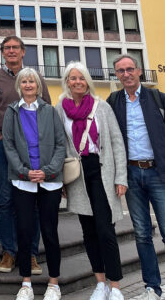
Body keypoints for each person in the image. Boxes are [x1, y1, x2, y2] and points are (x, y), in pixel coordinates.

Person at [0, 36, 50, 274]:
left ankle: (30, 254)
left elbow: (47, 108)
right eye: (6, 48)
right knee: (7, 200)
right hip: (2, 147)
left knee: (33, 201)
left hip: (32, 148)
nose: (10, 51)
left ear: (23, 51)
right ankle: (9, 251)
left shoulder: (34, 78)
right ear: (2, 52)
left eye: (14, 48)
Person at [55, 62, 127, 300]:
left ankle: (115, 285)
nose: (77, 82)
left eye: (81, 78)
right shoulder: (60, 108)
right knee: (88, 232)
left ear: (87, 81)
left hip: (101, 170)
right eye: (72, 78)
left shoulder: (102, 107)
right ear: (66, 81)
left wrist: (120, 177)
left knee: (106, 230)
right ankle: (100, 283)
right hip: (77, 173)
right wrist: (62, 180)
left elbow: (116, 142)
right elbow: (60, 144)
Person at [2, 68, 65, 300]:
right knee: (25, 231)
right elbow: (8, 145)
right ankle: (26, 283)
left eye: (32, 81)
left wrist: (47, 172)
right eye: (24, 81)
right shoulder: (12, 112)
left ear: (38, 86)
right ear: (19, 85)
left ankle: (54, 284)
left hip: (49, 181)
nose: (28, 85)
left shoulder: (49, 111)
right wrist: (25, 172)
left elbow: (60, 145)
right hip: (22, 181)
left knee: (49, 231)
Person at [107, 55, 165, 300]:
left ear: (139, 71)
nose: (126, 74)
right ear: (117, 75)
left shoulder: (157, 98)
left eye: (130, 69)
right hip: (131, 175)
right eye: (121, 71)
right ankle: (152, 287)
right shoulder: (113, 101)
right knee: (142, 234)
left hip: (158, 173)